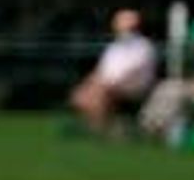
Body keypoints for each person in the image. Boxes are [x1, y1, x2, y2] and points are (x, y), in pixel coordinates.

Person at [69, 8, 161, 136]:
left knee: (100, 92)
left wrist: (108, 84)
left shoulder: (144, 47)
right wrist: (90, 83)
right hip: (109, 85)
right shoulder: (114, 47)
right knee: (83, 94)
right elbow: (101, 70)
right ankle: (100, 127)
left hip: (134, 88)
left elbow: (135, 72)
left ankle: (101, 130)